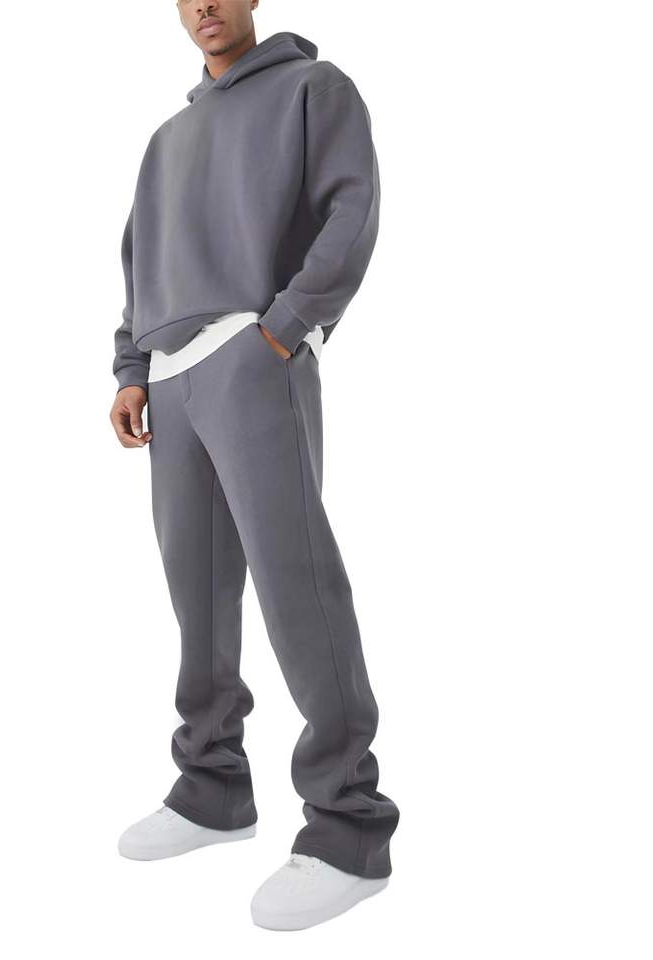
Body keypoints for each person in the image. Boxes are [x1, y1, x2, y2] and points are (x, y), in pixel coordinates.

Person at [109, 1, 399, 931]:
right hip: (170, 381)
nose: (203, 6)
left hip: (251, 358)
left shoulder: (313, 89)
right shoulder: (166, 138)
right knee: (196, 597)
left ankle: (349, 829)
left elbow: (351, 211)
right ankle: (212, 787)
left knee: (294, 582)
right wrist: (130, 368)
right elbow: (139, 264)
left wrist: (283, 329)